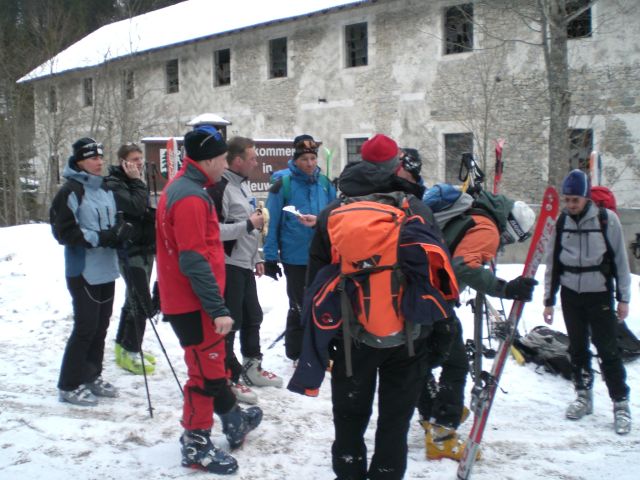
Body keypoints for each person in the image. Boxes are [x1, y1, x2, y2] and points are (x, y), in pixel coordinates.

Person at [305, 134, 440, 480]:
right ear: (396, 166)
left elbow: (316, 279)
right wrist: (437, 330)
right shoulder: (416, 210)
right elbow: (436, 275)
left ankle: (349, 472)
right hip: (408, 336)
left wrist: (318, 334)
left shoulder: (332, 213)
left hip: (352, 338)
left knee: (349, 419)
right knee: (395, 422)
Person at [400, 147, 537, 461]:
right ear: (511, 229)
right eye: (512, 239)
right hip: (437, 295)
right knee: (456, 363)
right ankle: (443, 432)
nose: (506, 245)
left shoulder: (473, 212)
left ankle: (431, 413)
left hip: (420, 290)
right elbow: (463, 267)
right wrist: (506, 288)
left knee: (422, 357)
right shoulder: (488, 229)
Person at [155, 126, 262, 474]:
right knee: (203, 374)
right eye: (222, 159)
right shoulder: (190, 197)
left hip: (191, 298)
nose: (225, 165)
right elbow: (192, 259)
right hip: (195, 303)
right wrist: (217, 308)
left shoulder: (186, 188)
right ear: (211, 159)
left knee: (212, 368)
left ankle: (233, 420)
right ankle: (196, 443)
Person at [543, 169, 632, 435]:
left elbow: (621, 262)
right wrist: (549, 300)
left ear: (586, 198)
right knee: (578, 348)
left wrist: (623, 299)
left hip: (599, 293)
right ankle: (583, 395)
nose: (571, 205)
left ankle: (620, 403)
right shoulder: (562, 223)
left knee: (607, 350)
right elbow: (553, 263)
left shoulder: (606, 220)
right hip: (571, 294)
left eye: (575, 200)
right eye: (567, 200)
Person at [50, 137, 131, 406]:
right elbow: (64, 232)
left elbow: (115, 220)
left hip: (107, 268)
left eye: (100, 157)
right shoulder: (71, 191)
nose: (99, 162)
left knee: (101, 326)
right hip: (83, 270)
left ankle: (91, 375)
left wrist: (119, 233)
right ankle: (69, 384)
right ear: (79, 162)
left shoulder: (105, 188)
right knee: (85, 327)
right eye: (93, 158)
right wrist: (101, 237)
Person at [207, 136, 282, 405]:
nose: (256, 162)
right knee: (232, 321)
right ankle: (227, 376)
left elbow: (251, 224)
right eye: (252, 158)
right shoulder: (221, 187)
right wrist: (249, 225)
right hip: (227, 264)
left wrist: (256, 256)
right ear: (238, 160)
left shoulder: (244, 185)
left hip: (245, 263)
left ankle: (252, 367)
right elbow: (213, 231)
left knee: (253, 316)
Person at [263, 134, 336, 361]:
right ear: (295, 160)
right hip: (295, 258)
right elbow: (271, 223)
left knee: (323, 303)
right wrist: (270, 257)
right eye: (304, 159)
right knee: (299, 305)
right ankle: (297, 352)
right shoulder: (283, 186)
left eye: (313, 158)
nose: (310, 163)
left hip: (323, 256)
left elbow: (336, 217)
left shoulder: (325, 184)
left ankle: (322, 349)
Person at [105, 143, 157, 375]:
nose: (139, 163)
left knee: (132, 298)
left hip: (145, 247)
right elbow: (135, 207)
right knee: (141, 300)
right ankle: (131, 348)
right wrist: (137, 182)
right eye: (134, 159)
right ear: (123, 162)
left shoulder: (135, 183)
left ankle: (123, 346)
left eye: (140, 159)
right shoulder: (114, 183)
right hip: (130, 250)